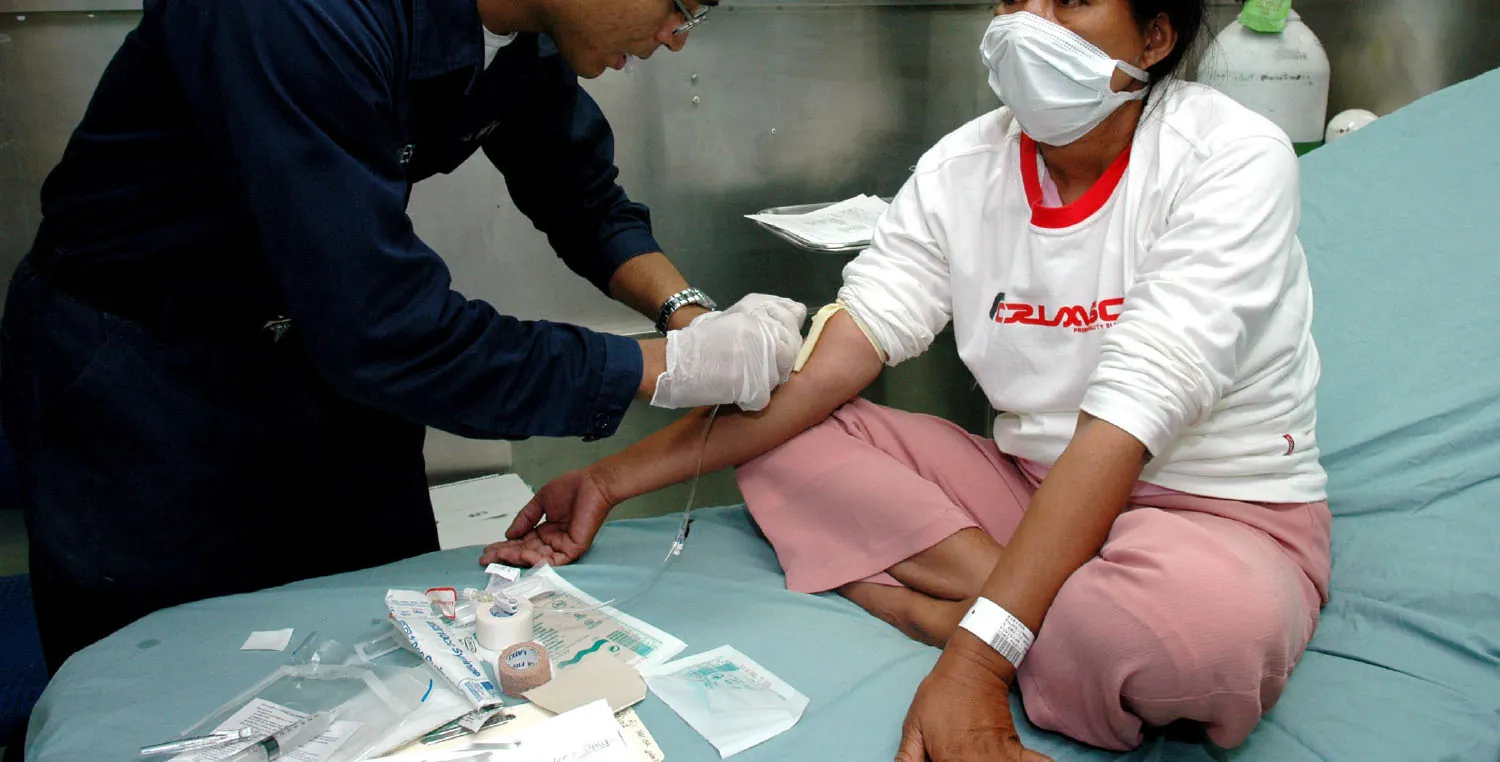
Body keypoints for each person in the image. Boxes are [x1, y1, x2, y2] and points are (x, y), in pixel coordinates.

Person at [486, 0, 1332, 757]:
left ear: (1155, 33)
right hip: (1028, 488)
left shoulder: (1231, 157)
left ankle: (942, 605)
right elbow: (824, 376)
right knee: (788, 436)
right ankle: (1035, 600)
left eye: (1070, 0)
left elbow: (1131, 415)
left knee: (1191, 649)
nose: (1027, 25)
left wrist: (972, 657)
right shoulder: (965, 166)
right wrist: (607, 478)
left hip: (1212, 511)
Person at [0, 0, 806, 674]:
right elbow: (388, 331)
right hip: (147, 368)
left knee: (392, 644)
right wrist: (664, 370)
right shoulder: (296, 15)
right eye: (680, 2)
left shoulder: (513, 31)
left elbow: (582, 195)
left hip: (314, 355)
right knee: (163, 677)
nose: (678, 36)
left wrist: (693, 317)